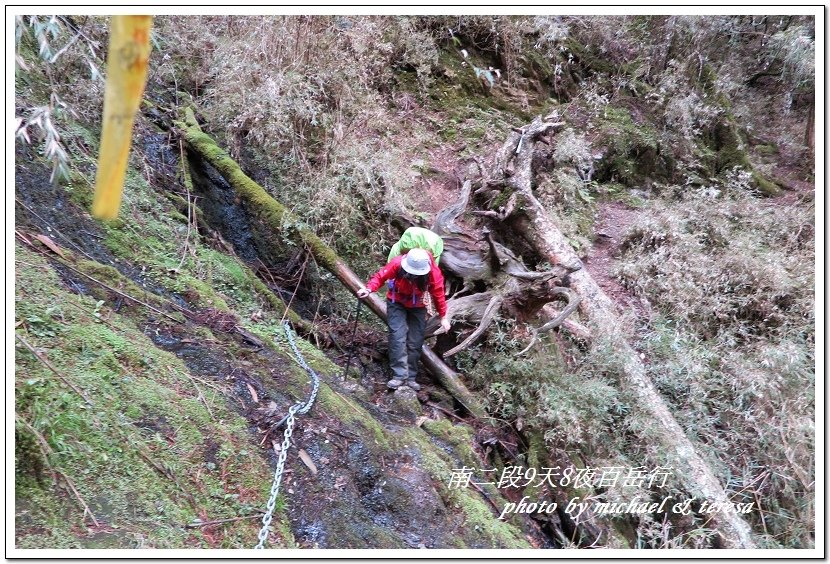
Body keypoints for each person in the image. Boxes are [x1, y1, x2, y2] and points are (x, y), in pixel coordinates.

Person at [357, 248, 451, 390]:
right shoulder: (397, 263)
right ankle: (399, 376)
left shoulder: (433, 273)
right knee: (397, 336)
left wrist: (443, 316)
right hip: (396, 302)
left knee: (415, 340)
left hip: (418, 306)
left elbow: (438, 293)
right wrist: (369, 289)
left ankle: (411, 377)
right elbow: (380, 276)